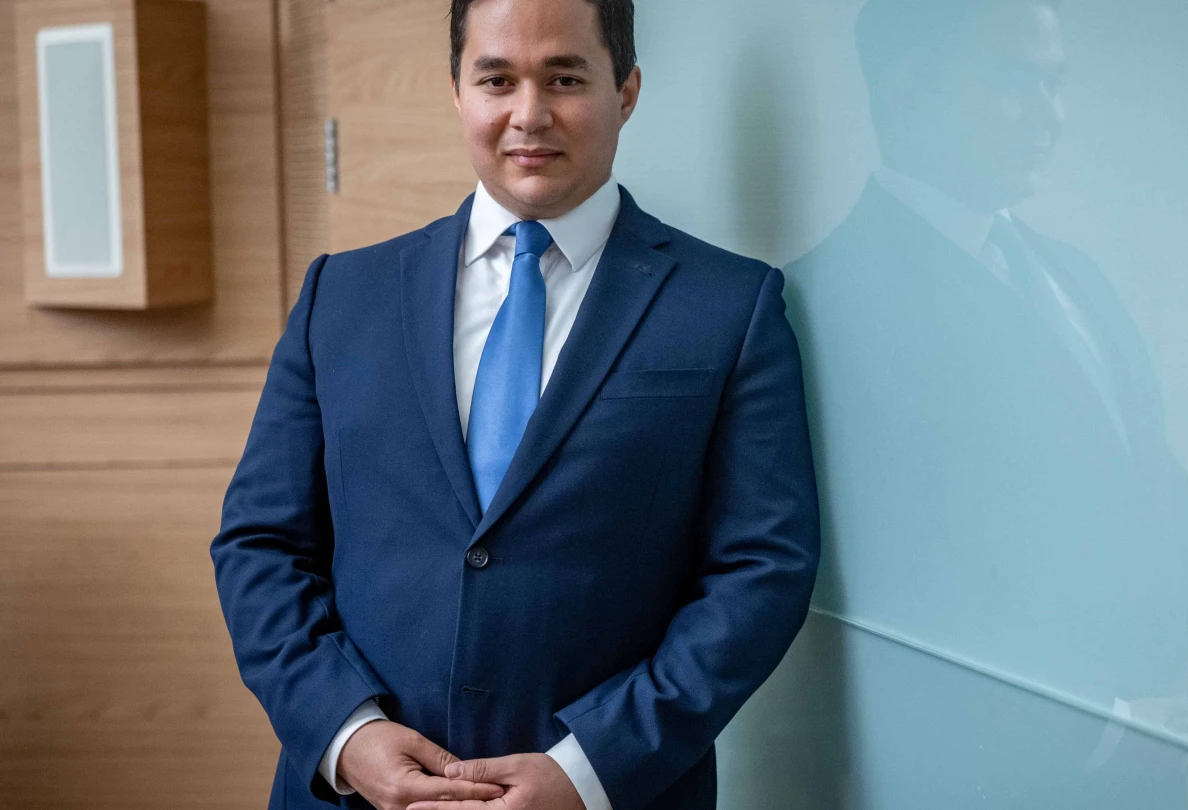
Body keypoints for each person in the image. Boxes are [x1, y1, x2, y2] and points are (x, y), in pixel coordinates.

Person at [210, 1, 821, 809]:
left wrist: (589, 769)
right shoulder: (341, 296)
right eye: (496, 80)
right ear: (457, 92)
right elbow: (260, 544)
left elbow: (762, 571)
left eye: (565, 78)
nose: (528, 115)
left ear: (626, 90)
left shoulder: (731, 308)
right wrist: (345, 733)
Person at [784, 0, 1188, 748]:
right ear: (908, 90)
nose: (1050, 115)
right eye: (1016, 83)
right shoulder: (816, 301)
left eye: (1057, 83)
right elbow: (897, 578)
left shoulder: (1073, 274)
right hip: (999, 766)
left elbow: (1147, 475)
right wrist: (1103, 723)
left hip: (1165, 740)